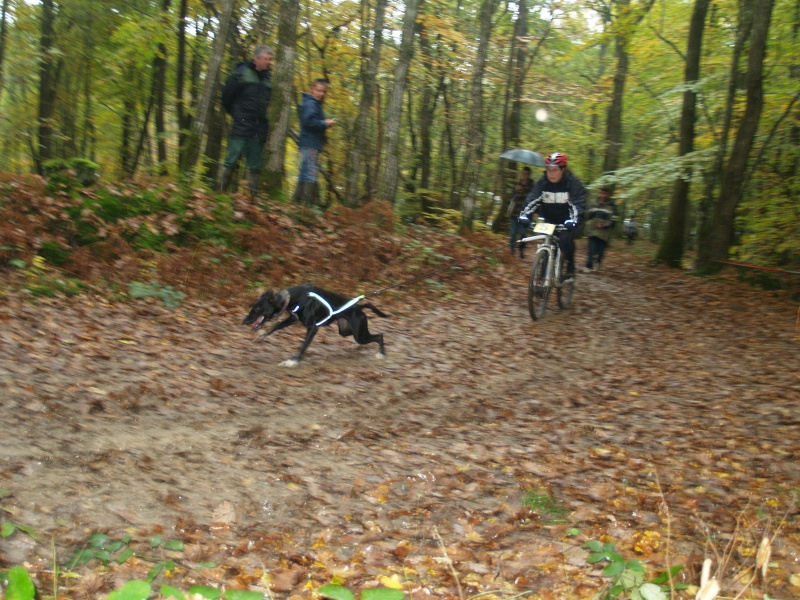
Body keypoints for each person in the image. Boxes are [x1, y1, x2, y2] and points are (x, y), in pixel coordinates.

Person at [518, 152, 586, 280]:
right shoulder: (543, 183)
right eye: (548, 170)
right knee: (547, 242)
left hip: (571, 221)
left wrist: (573, 220)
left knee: (565, 239)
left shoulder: (572, 184)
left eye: (555, 170)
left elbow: (577, 204)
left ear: (563, 170)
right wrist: (525, 215)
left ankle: (570, 265)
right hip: (551, 220)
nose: (551, 174)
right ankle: (542, 279)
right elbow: (532, 198)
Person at [219, 45, 274, 197]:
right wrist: (237, 114)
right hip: (242, 124)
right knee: (232, 158)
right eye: (266, 59)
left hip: (259, 127)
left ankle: (254, 199)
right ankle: (221, 194)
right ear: (256, 58)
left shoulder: (268, 80)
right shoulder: (241, 73)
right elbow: (226, 97)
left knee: (255, 165)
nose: (269, 62)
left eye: (270, 59)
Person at [294, 79, 335, 206]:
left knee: (305, 172)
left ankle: (296, 203)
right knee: (310, 173)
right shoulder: (311, 104)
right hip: (310, 144)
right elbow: (308, 122)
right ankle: (305, 206)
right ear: (312, 89)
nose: (320, 93)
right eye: (318, 90)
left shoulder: (314, 104)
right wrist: (325, 123)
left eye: (322, 91)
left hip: (311, 143)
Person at [582, 186, 618, 273]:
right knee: (591, 249)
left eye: (604, 193)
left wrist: (604, 225)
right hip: (592, 231)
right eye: (601, 193)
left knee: (600, 251)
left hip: (604, 233)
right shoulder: (593, 204)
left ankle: (597, 262)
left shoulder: (611, 207)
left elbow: (614, 219)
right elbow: (587, 216)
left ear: (607, 194)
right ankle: (589, 266)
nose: (602, 195)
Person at [508, 167, 534, 258]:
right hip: (515, 213)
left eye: (527, 174)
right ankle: (511, 250)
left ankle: (521, 250)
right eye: (524, 173)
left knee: (523, 234)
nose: (525, 175)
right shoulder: (517, 183)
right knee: (513, 233)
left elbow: (532, 199)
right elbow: (512, 198)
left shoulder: (532, 186)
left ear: (529, 175)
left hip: (526, 215)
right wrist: (516, 190)